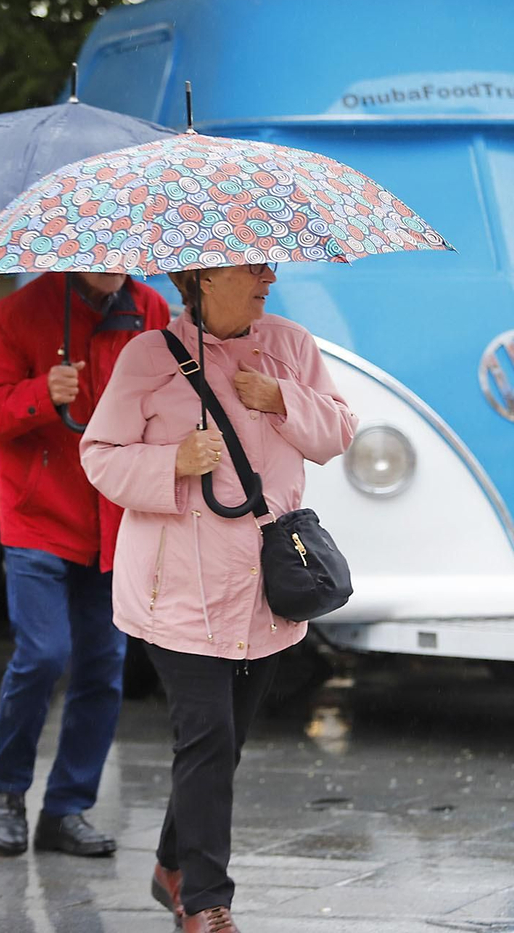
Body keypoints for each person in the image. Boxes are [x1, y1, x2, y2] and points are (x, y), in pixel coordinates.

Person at [80, 263, 357, 933]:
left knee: (221, 744)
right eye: (250, 266)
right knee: (206, 737)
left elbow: (339, 432)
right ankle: (205, 899)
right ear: (203, 278)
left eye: (267, 263)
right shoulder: (149, 356)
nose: (268, 275)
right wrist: (172, 460)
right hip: (176, 591)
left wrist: (281, 397)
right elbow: (99, 454)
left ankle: (171, 863)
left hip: (266, 588)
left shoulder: (291, 345)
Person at [0, 270, 169, 858]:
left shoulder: (150, 307)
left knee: (104, 668)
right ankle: (5, 789)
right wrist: (39, 393)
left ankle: (66, 809)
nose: (112, 262)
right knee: (42, 655)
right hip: (37, 516)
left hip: (113, 519)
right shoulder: (18, 311)